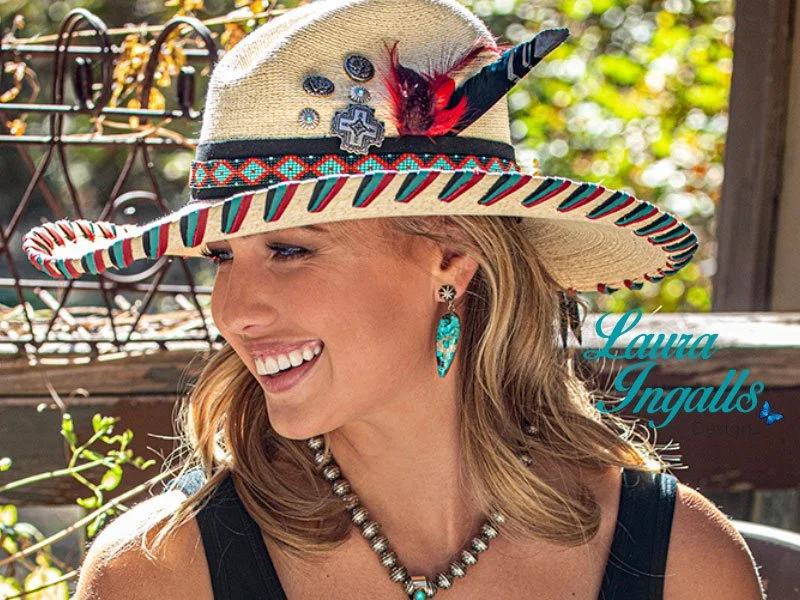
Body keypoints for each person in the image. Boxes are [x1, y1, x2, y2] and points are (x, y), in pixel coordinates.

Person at [23, 0, 764, 598]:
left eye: (290, 249)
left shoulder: (683, 566)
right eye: (223, 258)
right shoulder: (160, 573)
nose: (236, 310)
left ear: (449, 257)